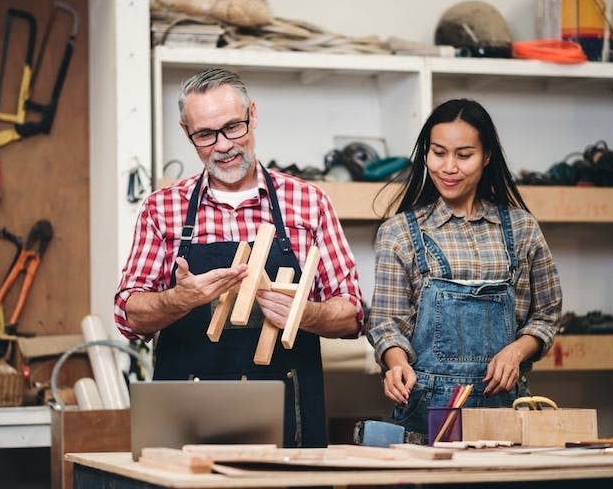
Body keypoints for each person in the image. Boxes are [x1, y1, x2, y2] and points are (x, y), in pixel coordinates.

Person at [114, 68, 364, 448]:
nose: (223, 145)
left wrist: (304, 313)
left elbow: (353, 315)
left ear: (253, 114)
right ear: (186, 132)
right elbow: (129, 316)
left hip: (288, 419)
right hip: (187, 422)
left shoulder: (309, 203)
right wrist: (180, 299)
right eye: (205, 134)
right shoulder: (161, 209)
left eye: (233, 127)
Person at [365, 98, 562, 437]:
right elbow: (385, 323)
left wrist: (515, 352)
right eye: (438, 153)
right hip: (425, 410)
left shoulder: (522, 229)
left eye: (464, 155)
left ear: (486, 157)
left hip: (505, 406)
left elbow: (546, 314)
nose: (448, 167)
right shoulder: (399, 233)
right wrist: (396, 364)